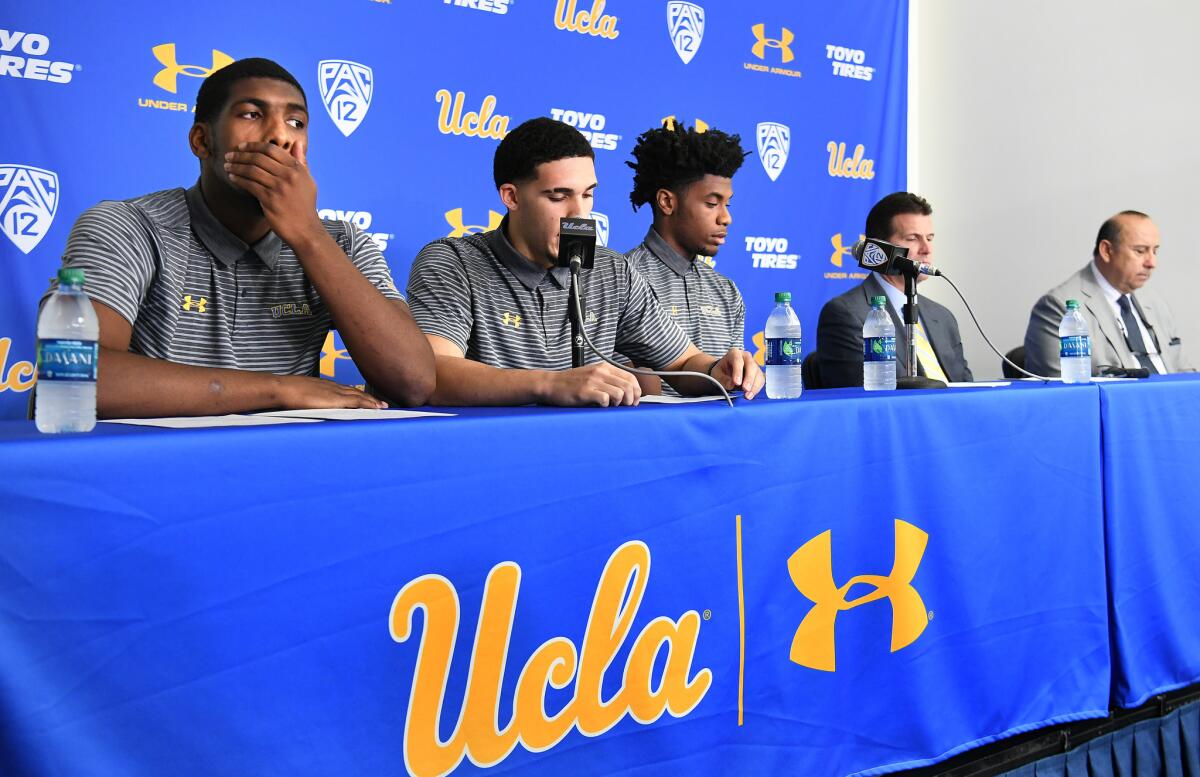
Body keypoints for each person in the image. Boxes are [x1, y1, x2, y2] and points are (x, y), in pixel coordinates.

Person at [45, 58, 433, 417]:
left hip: (280, 474)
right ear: (201, 141)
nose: (279, 136)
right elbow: (74, 375)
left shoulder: (341, 243)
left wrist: (308, 234)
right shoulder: (128, 226)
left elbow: (412, 382)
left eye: (296, 123)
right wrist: (281, 390)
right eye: (252, 114)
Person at [405, 117, 763, 406]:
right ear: (511, 196)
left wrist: (720, 371)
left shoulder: (611, 271)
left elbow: (684, 362)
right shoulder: (452, 263)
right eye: (559, 196)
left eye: (588, 195)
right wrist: (550, 384)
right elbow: (431, 372)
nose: (580, 214)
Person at [621, 121, 748, 395]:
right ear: (667, 202)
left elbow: (734, 387)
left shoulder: (727, 291)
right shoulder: (622, 281)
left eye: (728, 204)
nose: (726, 217)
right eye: (712, 204)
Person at [815, 192, 972, 387]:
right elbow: (861, 397)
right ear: (879, 248)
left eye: (930, 238)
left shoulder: (942, 316)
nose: (927, 249)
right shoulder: (846, 314)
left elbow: (966, 385)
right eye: (913, 238)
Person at [1025, 210, 1193, 375]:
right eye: (1140, 251)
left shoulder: (1155, 302)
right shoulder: (1059, 307)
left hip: (1172, 401)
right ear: (1106, 250)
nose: (1152, 262)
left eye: (1155, 251)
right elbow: (1065, 393)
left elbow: (1184, 373)